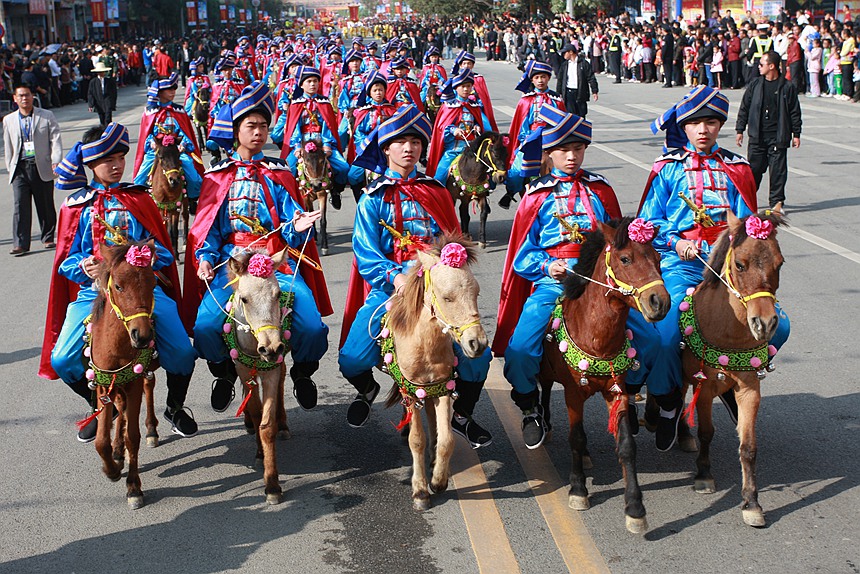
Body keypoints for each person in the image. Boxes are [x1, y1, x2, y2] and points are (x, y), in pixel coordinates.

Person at [494, 105, 661, 449]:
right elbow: (521, 254)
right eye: (563, 150)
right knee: (521, 349)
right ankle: (529, 405)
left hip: (602, 281)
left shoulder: (601, 190)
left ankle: (627, 390)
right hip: (553, 280)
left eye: (578, 149)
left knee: (653, 340)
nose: (571, 156)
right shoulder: (536, 195)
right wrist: (547, 266)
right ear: (550, 153)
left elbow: (621, 242)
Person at [641, 85, 791, 449]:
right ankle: (668, 403)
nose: (703, 129)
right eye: (695, 123)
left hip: (730, 272)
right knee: (665, 336)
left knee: (779, 327)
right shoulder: (667, 169)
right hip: (682, 266)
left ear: (720, 125)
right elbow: (648, 222)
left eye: (710, 122)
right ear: (684, 128)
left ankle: (728, 379)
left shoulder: (737, 168)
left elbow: (748, 227)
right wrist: (676, 242)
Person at [339, 104, 494, 449]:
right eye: (400, 142)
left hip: (437, 289)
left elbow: (456, 242)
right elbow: (366, 255)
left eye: (415, 142)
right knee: (352, 358)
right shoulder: (371, 199)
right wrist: (397, 277)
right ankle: (367, 390)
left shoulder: (436, 192)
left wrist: (451, 264)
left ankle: (462, 413)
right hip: (393, 289)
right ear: (386, 149)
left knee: (479, 357)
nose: (408, 148)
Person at [40, 123, 198, 442]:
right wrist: (83, 265)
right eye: (107, 159)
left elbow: (165, 252)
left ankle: (175, 407)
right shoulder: (77, 208)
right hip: (94, 295)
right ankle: (102, 408)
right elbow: (66, 261)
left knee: (182, 351)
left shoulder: (139, 199)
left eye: (121, 158)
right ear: (91, 163)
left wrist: (149, 255)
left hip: (141, 293)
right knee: (62, 359)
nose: (116, 165)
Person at [184, 81, 333, 414]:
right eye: (251, 126)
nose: (259, 132)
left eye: (264, 126)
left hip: (274, 262)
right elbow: (208, 230)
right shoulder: (216, 176)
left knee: (310, 325)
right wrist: (205, 259)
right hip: (231, 265)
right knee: (206, 326)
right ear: (236, 131)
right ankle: (223, 374)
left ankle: (303, 373)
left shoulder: (278, 173)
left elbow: (291, 219)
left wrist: (297, 226)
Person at [735, 51, 802, 213]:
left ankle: (777, 202)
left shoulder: (787, 87)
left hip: (777, 136)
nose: (759, 67)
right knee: (754, 171)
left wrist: (796, 134)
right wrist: (740, 129)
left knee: (778, 171)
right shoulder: (755, 85)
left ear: (771, 66)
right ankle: (748, 199)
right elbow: (744, 107)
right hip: (758, 136)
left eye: (762, 64)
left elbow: (794, 111)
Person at [278, 65, 350, 209]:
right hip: (302, 142)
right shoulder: (295, 105)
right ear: (301, 84)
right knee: (287, 170)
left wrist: (327, 145)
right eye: (309, 81)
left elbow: (329, 126)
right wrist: (297, 147)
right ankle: (293, 199)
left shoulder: (324, 104)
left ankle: (336, 191)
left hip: (322, 142)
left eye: (315, 81)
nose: (312, 84)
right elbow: (294, 129)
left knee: (343, 167)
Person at [4, 82, 62, 256]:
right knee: (20, 206)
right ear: (15, 99)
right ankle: (20, 243)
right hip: (20, 168)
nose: (24, 98)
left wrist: (56, 160)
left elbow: (55, 139)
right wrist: (10, 167)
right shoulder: (9, 120)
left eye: (27, 95)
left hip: (41, 166)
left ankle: (48, 237)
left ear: (32, 96)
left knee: (44, 203)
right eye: (20, 95)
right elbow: (8, 146)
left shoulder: (46, 116)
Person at [501, 60, 566, 209]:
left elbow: (562, 122)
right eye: (537, 78)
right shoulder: (526, 100)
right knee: (516, 172)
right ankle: (511, 192)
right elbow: (521, 126)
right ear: (532, 80)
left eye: (543, 77)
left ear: (548, 78)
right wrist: (527, 139)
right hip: (530, 140)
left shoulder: (557, 99)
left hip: (551, 139)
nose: (540, 80)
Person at [133, 73, 205, 206]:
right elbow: (146, 135)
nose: (173, 92)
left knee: (194, 178)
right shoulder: (149, 112)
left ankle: (191, 199)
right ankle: (141, 205)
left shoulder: (179, 111)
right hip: (156, 152)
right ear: (159, 92)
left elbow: (186, 134)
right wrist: (152, 143)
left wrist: (183, 144)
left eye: (174, 89)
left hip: (176, 151)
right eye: (169, 89)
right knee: (139, 179)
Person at [425, 69, 493, 185]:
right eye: (463, 86)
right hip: (454, 150)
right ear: (456, 88)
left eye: (468, 86)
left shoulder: (474, 106)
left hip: (472, 149)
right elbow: (442, 128)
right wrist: (453, 130)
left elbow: (477, 122)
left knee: (490, 173)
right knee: (439, 177)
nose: (466, 89)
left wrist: (477, 126)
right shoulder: (449, 107)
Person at [556, 43, 599, 119]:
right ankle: (572, 130)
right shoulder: (564, 65)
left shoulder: (583, 63)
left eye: (565, 52)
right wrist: (558, 94)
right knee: (570, 115)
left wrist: (594, 91)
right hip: (568, 92)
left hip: (580, 92)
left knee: (581, 115)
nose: (563, 55)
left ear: (571, 52)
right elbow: (560, 80)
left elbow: (591, 77)